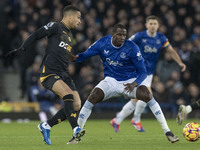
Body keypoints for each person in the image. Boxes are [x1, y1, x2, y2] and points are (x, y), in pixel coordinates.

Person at [71, 23, 179, 143]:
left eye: (124, 35)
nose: (122, 37)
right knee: (92, 97)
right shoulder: (103, 42)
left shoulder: (132, 47)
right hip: (110, 81)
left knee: (147, 95)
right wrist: (74, 58)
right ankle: (77, 135)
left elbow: (143, 72)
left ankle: (167, 131)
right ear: (113, 34)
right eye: (119, 34)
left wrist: (135, 83)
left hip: (128, 81)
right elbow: (85, 55)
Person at [6, 5, 85, 145]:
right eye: (78, 17)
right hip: (49, 72)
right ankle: (76, 129)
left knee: (77, 104)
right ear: (70, 16)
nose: (80, 21)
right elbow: (37, 34)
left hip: (64, 73)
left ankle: (46, 125)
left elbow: (61, 52)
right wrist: (22, 48)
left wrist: (72, 57)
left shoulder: (69, 35)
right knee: (68, 95)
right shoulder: (55, 26)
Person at [110, 15, 186, 132]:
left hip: (149, 73)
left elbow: (170, 50)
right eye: (150, 24)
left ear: (158, 25)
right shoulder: (140, 36)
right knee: (148, 94)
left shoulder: (161, 38)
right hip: (137, 70)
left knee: (136, 100)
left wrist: (180, 62)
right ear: (146, 25)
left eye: (155, 24)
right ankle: (136, 119)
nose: (152, 26)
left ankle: (117, 120)